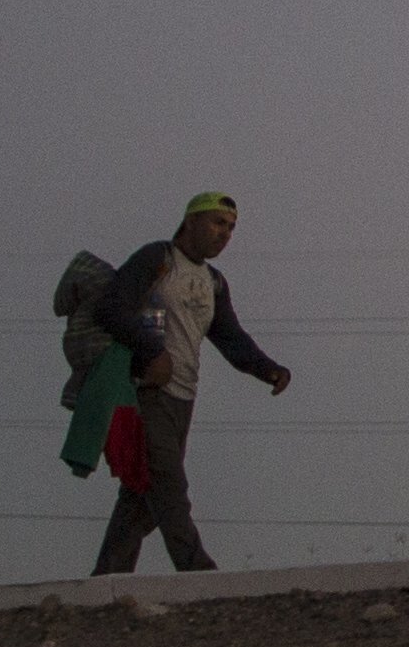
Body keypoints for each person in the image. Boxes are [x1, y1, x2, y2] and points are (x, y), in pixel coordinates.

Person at [92, 198, 290, 573]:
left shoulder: (213, 282)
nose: (225, 234)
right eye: (218, 223)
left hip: (184, 396)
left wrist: (268, 370)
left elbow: (230, 337)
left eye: (231, 227)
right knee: (168, 485)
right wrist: (152, 352)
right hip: (146, 392)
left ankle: (107, 577)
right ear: (191, 221)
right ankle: (197, 569)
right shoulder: (157, 259)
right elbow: (111, 308)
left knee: (140, 493)